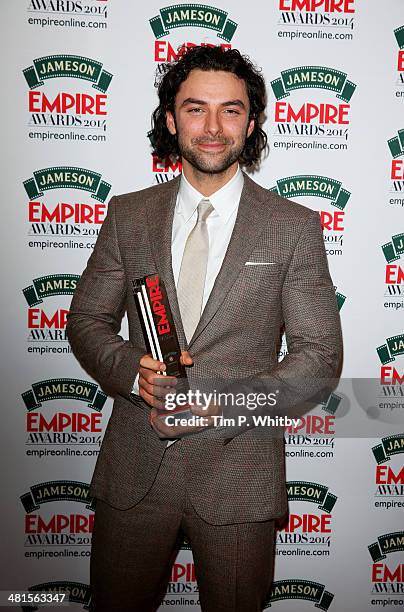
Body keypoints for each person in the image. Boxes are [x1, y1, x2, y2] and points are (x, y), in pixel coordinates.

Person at [67, 46, 342, 612]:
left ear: (252, 122)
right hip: (135, 469)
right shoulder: (128, 213)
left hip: (239, 473)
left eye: (231, 110)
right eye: (196, 109)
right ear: (171, 120)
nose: (213, 127)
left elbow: (318, 357)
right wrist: (129, 373)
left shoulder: (293, 227)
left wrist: (224, 405)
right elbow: (87, 321)